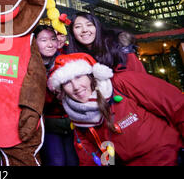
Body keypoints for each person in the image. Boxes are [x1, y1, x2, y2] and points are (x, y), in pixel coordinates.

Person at [47, 52, 184, 166]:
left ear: (90, 76)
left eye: (78, 77)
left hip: (170, 156)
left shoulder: (121, 83)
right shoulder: (76, 115)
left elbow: (177, 105)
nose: (76, 86)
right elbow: (95, 155)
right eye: (67, 82)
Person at [34, 25, 78, 166]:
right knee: (56, 161)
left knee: (75, 161)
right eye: (43, 40)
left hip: (74, 124)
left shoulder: (66, 61)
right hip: (49, 127)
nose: (50, 44)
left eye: (53, 39)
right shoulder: (30, 66)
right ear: (34, 42)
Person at [66, 12, 145, 72]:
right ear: (72, 32)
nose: (85, 30)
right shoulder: (74, 56)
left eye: (89, 25)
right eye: (78, 27)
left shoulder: (118, 45)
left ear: (97, 27)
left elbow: (138, 75)